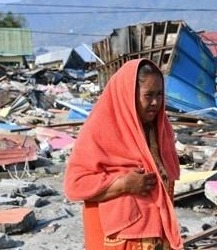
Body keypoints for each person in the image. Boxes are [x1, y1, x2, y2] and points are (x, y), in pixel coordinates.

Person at [63, 58, 183, 250]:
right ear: (128, 96)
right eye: (148, 95)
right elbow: (75, 185)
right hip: (117, 238)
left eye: (159, 95)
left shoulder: (159, 129)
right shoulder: (100, 129)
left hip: (155, 236)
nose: (155, 102)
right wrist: (124, 184)